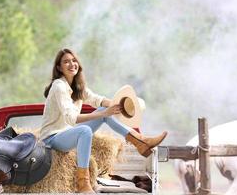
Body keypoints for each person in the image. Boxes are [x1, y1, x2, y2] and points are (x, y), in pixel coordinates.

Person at [39, 48, 167, 193]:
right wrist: (105, 113)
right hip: (52, 139)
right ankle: (83, 184)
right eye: (66, 62)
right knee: (86, 129)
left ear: (78, 64)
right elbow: (72, 118)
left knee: (102, 112)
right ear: (59, 67)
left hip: (66, 134)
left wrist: (118, 104)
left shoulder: (77, 86)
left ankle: (140, 142)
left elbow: (96, 99)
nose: (71, 64)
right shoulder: (59, 86)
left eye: (74, 60)